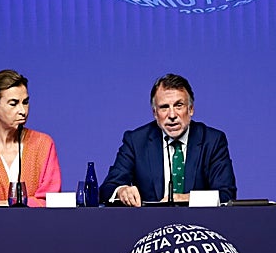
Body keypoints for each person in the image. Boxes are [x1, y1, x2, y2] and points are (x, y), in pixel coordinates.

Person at [100, 73, 237, 206]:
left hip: (199, 225)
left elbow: (226, 194)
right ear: (155, 113)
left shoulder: (212, 141)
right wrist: (121, 191)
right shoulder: (136, 141)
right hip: (149, 225)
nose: (172, 115)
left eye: (179, 105)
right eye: (164, 107)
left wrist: (184, 199)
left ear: (190, 109)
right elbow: (108, 188)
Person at [0, 69, 61, 208]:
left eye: (25, 102)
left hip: (37, 227)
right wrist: (27, 203)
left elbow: (50, 201)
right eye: (13, 103)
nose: (23, 111)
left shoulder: (43, 144)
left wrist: (4, 204)